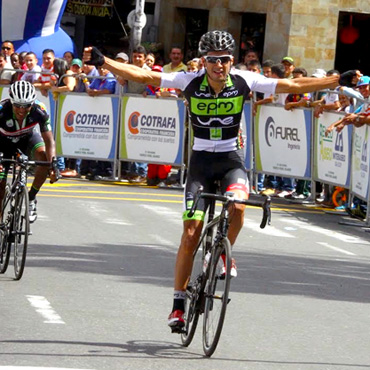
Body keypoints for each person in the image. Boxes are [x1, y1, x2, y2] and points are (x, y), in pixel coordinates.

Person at [83, 30, 340, 332]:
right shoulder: (188, 80)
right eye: (213, 60)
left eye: (225, 60)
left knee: (240, 207)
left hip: (231, 160)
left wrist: (337, 82)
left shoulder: (246, 80)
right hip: (201, 163)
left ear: (232, 60)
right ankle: (178, 305)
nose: (219, 66)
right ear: (204, 61)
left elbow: (294, 83)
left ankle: (221, 255)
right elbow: (145, 76)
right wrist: (106, 62)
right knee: (190, 233)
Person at [0, 81, 59, 222]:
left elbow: (49, 141)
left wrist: (53, 165)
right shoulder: (2, 109)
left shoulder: (39, 110)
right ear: (11, 101)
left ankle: (31, 198)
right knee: (0, 185)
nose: (22, 110)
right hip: (3, 143)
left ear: (32, 103)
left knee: (44, 158)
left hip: (28, 139)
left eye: (26, 106)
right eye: (18, 106)